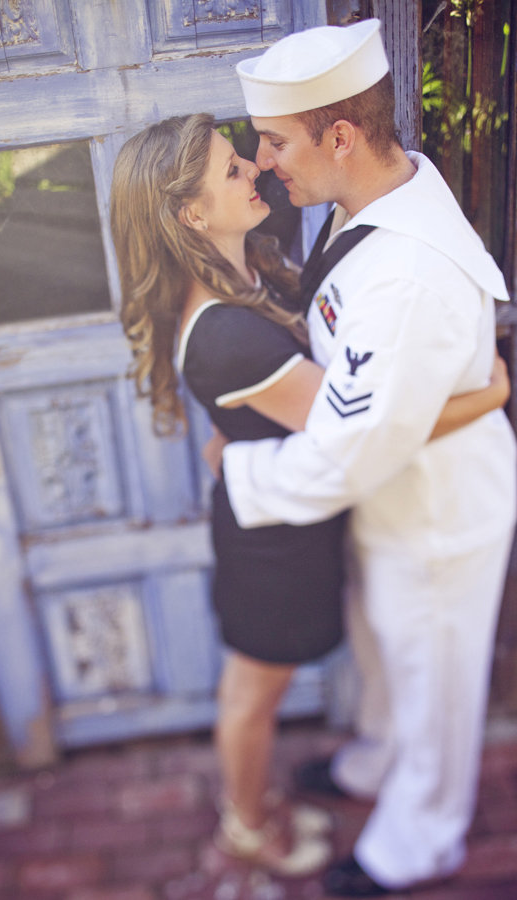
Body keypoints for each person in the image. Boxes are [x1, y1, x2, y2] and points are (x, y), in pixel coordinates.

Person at [110, 113, 510, 880]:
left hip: (303, 515)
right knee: (251, 696)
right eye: (233, 170)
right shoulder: (226, 330)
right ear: (191, 215)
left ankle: (282, 807)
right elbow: (364, 432)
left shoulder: (250, 267)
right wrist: (484, 399)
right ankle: (246, 828)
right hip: (273, 543)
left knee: (283, 681)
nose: (255, 170)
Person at [219, 18, 517, 896]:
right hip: (391, 492)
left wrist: (240, 479)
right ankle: (379, 762)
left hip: (434, 515)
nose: (264, 160)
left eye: (275, 142)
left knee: (433, 677)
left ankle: (418, 837)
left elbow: (351, 451)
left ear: (340, 137)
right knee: (384, 648)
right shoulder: (373, 194)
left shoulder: (406, 275)